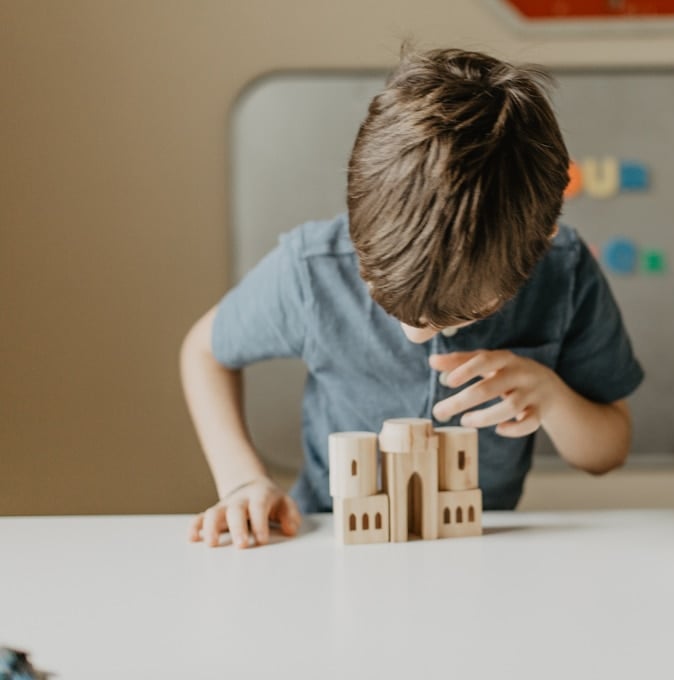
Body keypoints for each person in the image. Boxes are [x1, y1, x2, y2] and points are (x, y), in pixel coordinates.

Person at [180, 47, 644, 548]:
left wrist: (552, 398)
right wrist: (243, 480)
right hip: (327, 540)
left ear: (544, 242)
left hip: (479, 550)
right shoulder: (313, 269)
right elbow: (203, 352)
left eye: (464, 315)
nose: (415, 334)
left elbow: (607, 453)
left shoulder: (566, 272)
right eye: (383, 295)